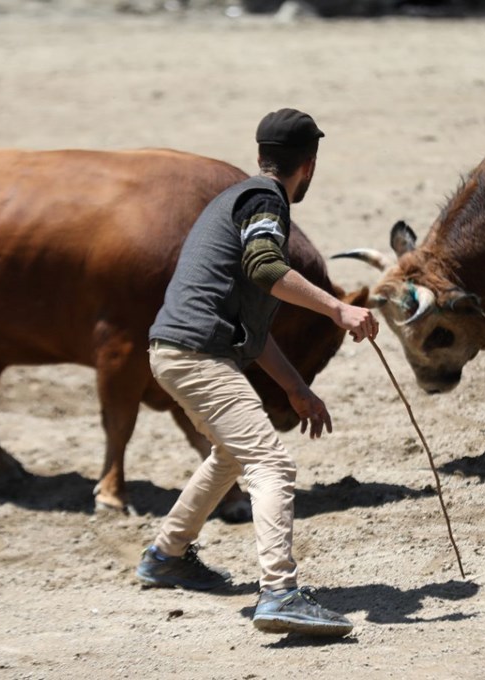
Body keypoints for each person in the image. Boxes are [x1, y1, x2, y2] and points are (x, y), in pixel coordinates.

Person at [136, 108, 379, 637]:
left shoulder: (234, 201)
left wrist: (297, 388)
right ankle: (279, 594)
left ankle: (165, 556)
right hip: (198, 353)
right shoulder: (265, 201)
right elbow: (266, 268)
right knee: (272, 464)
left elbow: (255, 326)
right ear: (309, 165)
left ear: (261, 154)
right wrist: (338, 310)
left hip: (179, 350)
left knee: (234, 453)